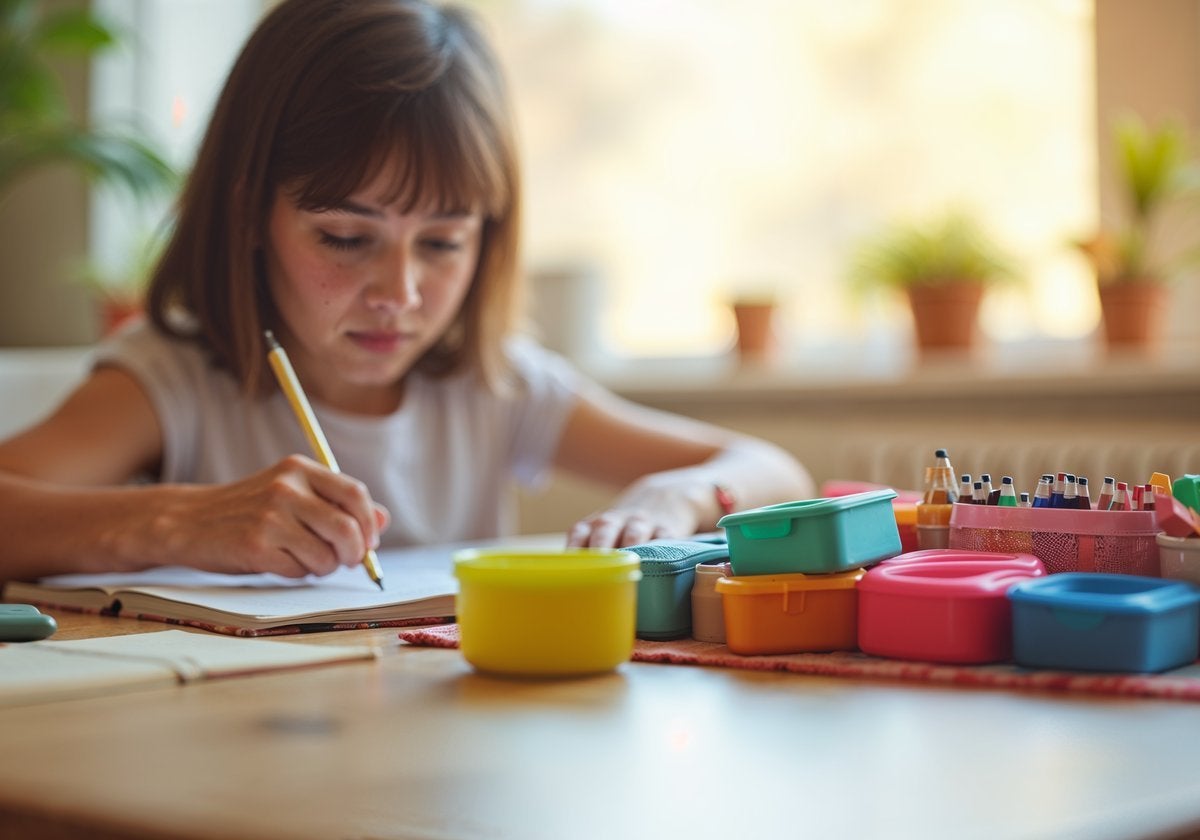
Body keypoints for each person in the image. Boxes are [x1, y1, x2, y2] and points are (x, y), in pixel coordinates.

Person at [0, 0, 811, 583]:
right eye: (345, 239)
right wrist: (180, 521)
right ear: (249, 211)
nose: (400, 292)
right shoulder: (175, 381)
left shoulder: (492, 385)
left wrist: (678, 496)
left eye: (443, 243)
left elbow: (774, 469)